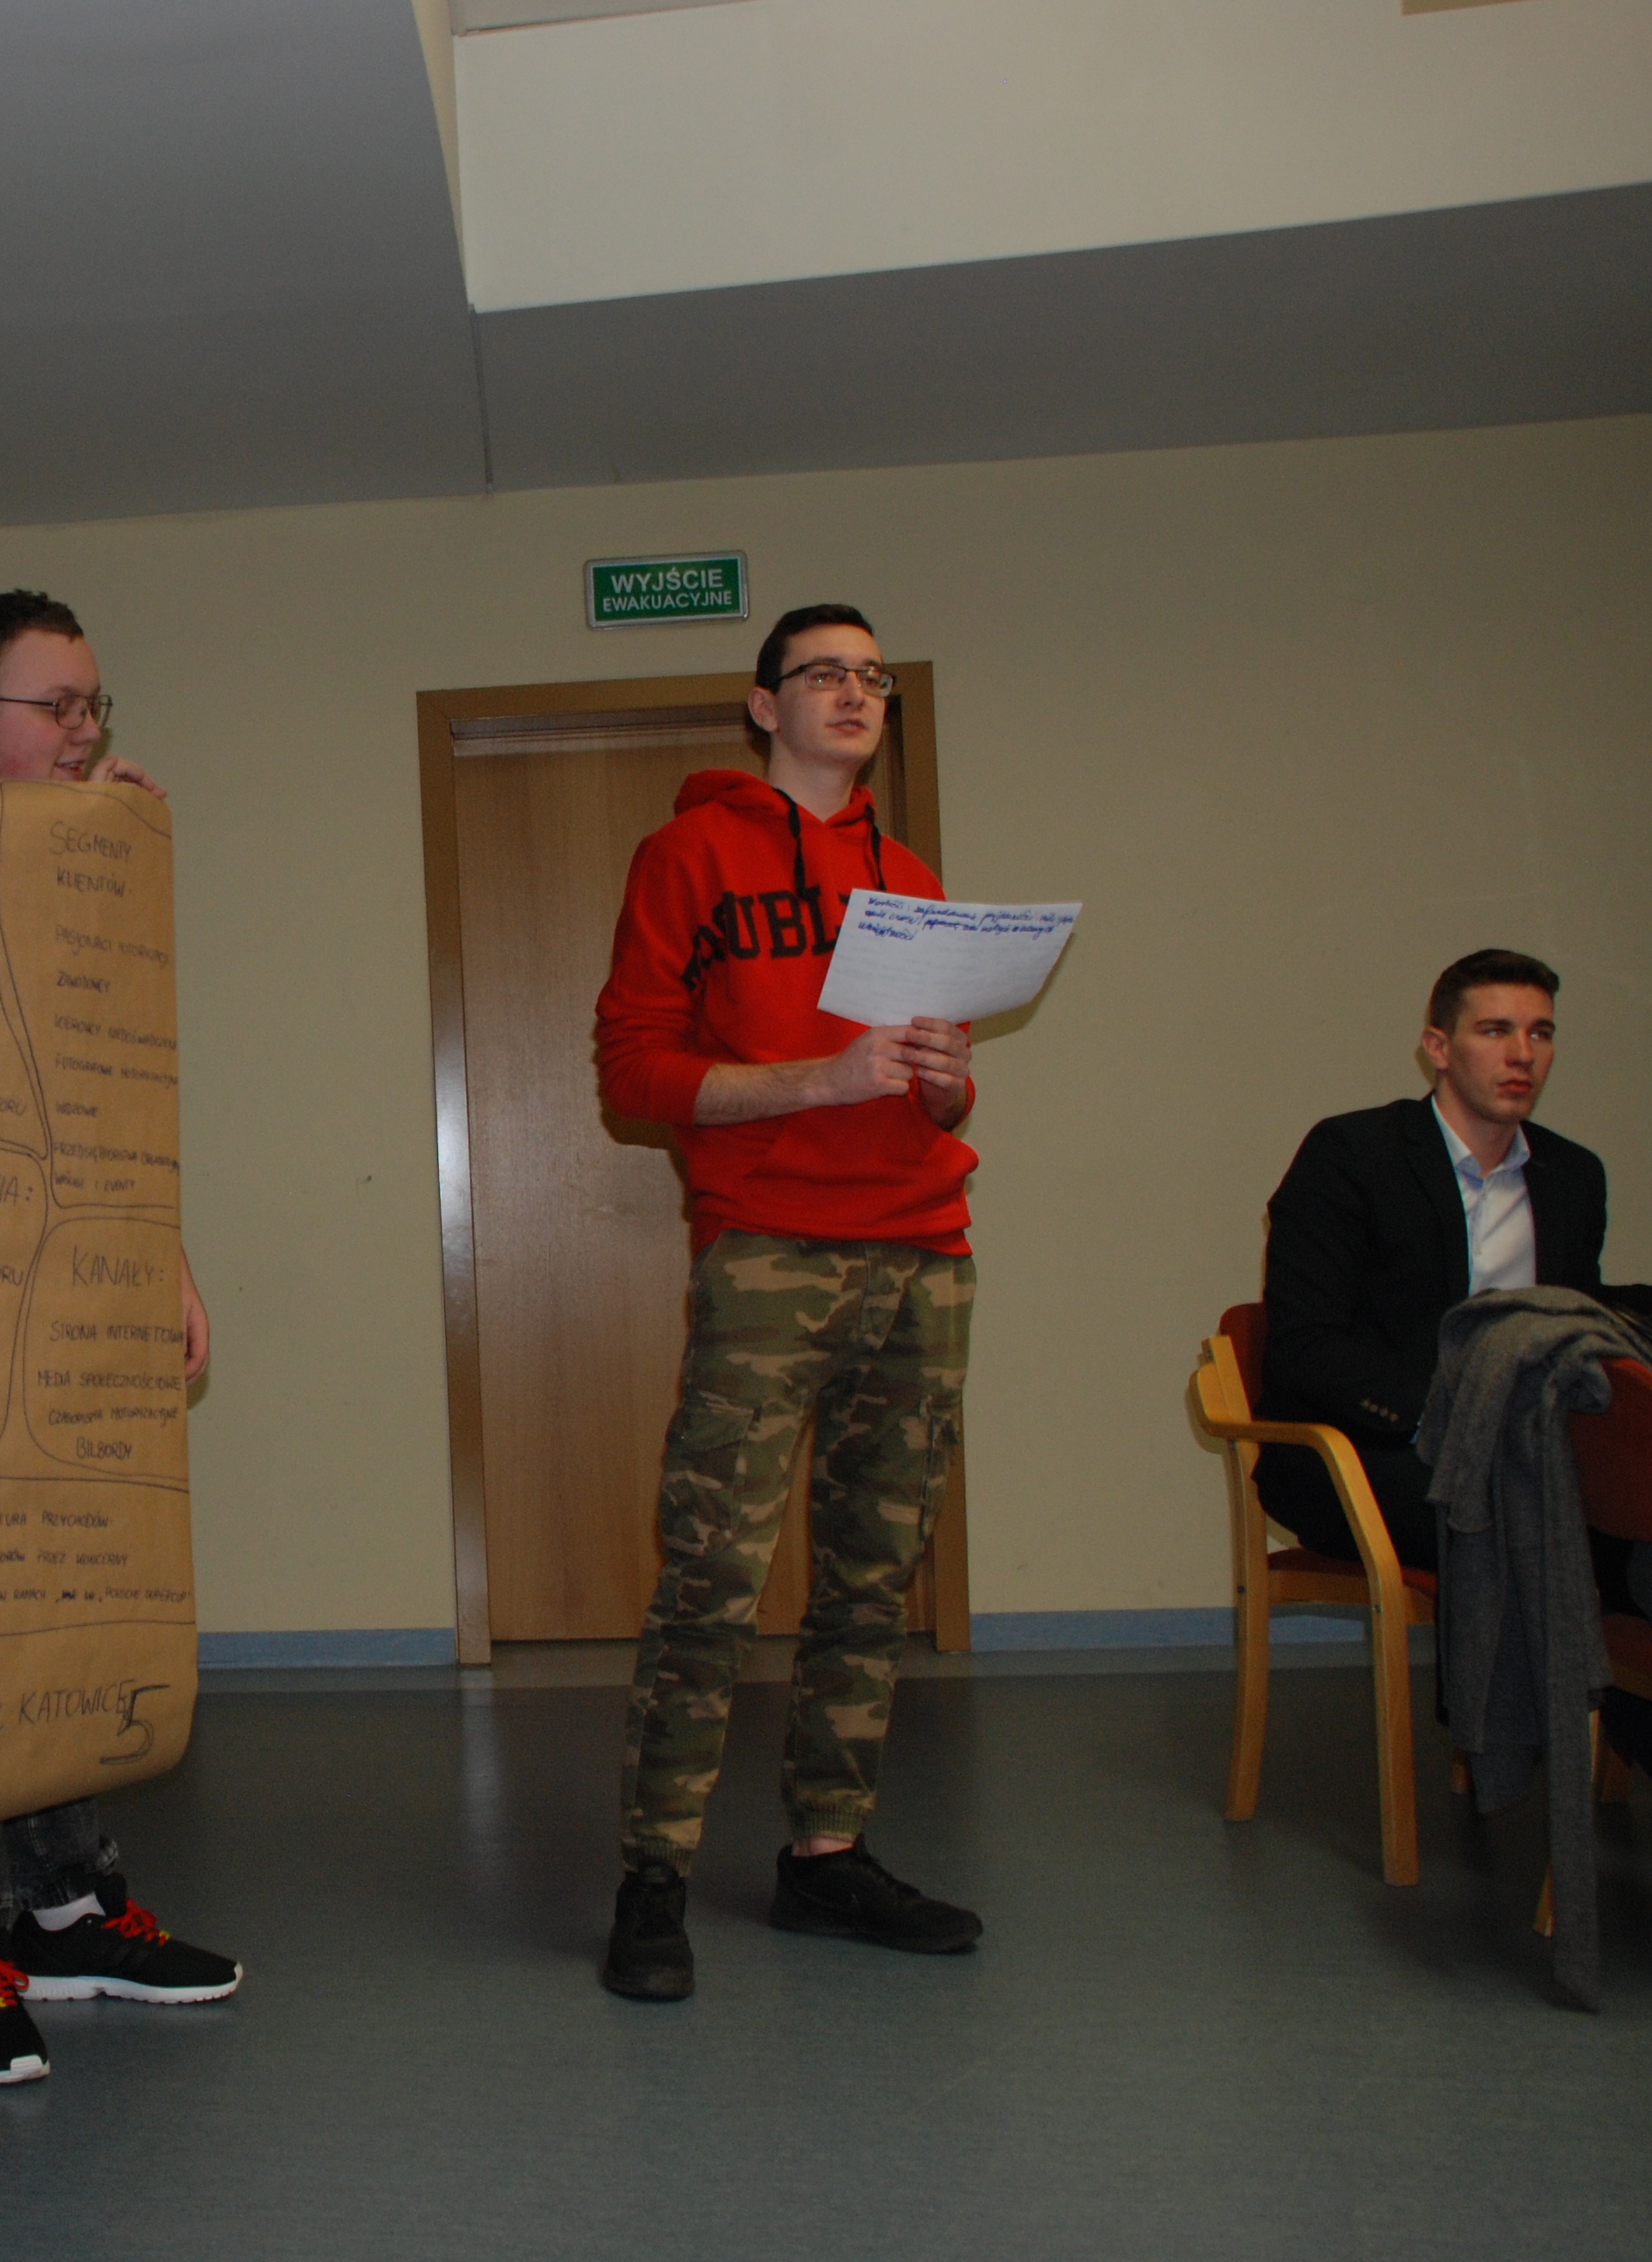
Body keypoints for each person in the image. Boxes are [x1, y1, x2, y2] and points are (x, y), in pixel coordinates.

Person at [590, 600, 986, 2005]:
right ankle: (654, 1877)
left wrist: (946, 1084)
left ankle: (828, 1855)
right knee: (713, 1578)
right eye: (824, 674)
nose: (855, 694)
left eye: (872, 677)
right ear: (764, 706)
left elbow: (940, 1089)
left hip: (925, 1250)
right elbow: (632, 1072)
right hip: (771, 1248)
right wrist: (817, 1080)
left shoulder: (913, 875)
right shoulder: (689, 854)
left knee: (875, 1579)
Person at [0, 590, 232, 2084]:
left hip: (61, 1294)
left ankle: (69, 1908)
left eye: (97, 706)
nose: (87, 733)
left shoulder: (72, 864)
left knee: (61, 1607)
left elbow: (102, 1086)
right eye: (60, 708)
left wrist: (162, 1254)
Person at [1258, 949, 1605, 1573]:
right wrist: (1452, 1421)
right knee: (1517, 1518)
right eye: (1495, 1031)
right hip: (1370, 1446)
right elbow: (1305, 1346)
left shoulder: (1572, 1175)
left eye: (1540, 1033)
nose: (1522, 1054)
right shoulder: (1353, 1155)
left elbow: (1579, 1324)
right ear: (1438, 1048)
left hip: (1525, 1450)